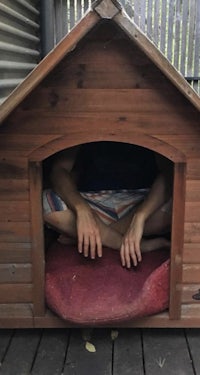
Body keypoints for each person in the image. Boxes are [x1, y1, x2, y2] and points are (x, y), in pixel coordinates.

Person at [43, 142, 172, 268]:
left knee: (177, 204)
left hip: (140, 201)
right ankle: (128, 243)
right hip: (93, 202)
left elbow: (169, 174)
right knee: (43, 201)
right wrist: (82, 210)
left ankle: (87, 238)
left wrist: (140, 218)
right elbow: (59, 170)